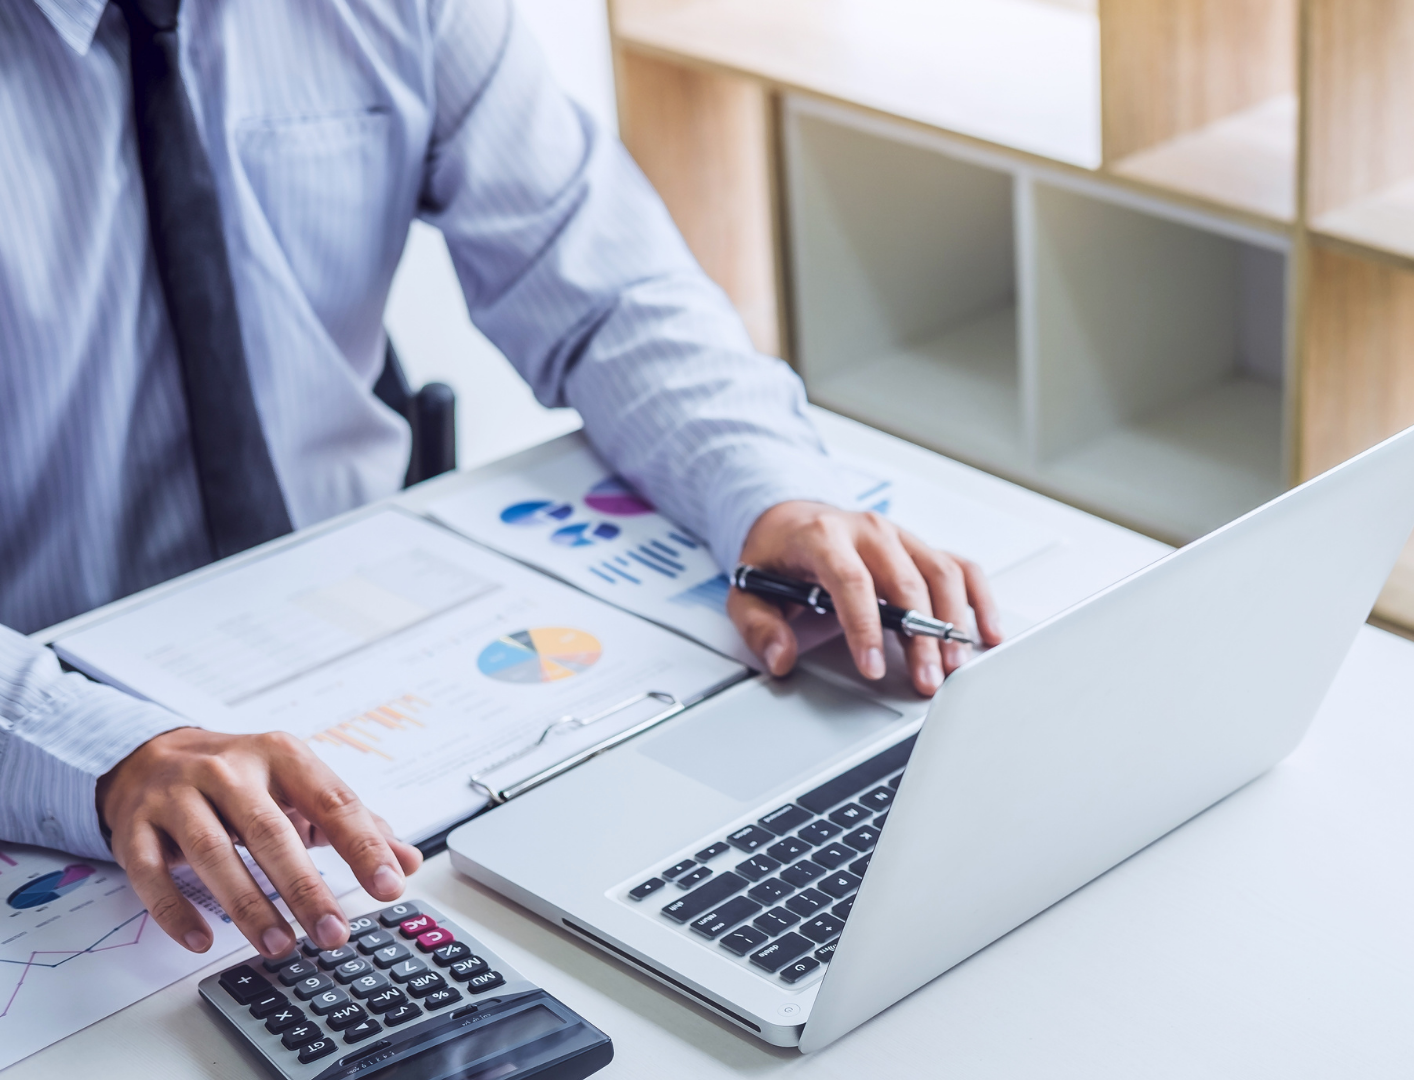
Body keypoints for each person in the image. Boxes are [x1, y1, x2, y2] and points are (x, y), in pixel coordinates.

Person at [0, 0, 1000, 963]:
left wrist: (770, 490)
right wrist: (101, 748)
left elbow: (606, 291)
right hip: (48, 706)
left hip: (370, 652)